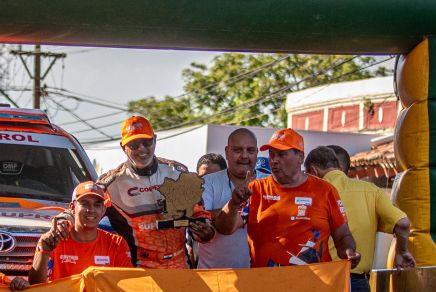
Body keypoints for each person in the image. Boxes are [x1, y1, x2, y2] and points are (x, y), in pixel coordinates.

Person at [304, 146, 416, 292]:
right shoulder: (371, 191)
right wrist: (401, 251)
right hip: (357, 285)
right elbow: (403, 223)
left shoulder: (310, 193)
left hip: (321, 281)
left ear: (314, 171)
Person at [215, 128, 359, 270]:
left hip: (315, 282)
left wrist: (348, 251)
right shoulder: (255, 190)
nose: (274, 160)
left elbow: (343, 235)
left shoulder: (325, 191)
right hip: (266, 282)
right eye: (271, 154)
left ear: (300, 157)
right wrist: (233, 203)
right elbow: (224, 228)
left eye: (281, 154)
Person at [97, 116, 214, 269]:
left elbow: (199, 214)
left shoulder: (178, 173)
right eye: (134, 145)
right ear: (123, 147)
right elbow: (83, 208)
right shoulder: (111, 183)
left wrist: (205, 230)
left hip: (179, 265)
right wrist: (65, 221)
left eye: (147, 142)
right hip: (139, 269)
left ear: (155, 140)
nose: (142, 149)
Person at [198, 129, 258, 270]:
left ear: (257, 152)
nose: (244, 156)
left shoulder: (267, 183)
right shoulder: (206, 182)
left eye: (250, 150)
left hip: (258, 276)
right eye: (237, 150)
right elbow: (199, 218)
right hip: (214, 275)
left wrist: (216, 214)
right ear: (226, 152)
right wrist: (248, 210)